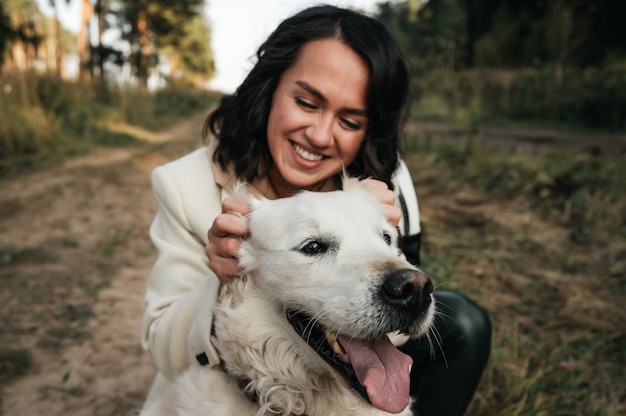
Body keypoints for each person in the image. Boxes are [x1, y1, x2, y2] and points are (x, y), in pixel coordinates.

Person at [140, 5, 491, 415]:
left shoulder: (386, 180)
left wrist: (385, 240)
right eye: (307, 102)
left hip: (352, 338)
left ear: (369, 131)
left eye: (350, 120)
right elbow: (162, 346)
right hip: (226, 369)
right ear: (269, 89)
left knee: (464, 323)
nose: (321, 135)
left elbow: (399, 288)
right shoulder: (183, 184)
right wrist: (223, 280)